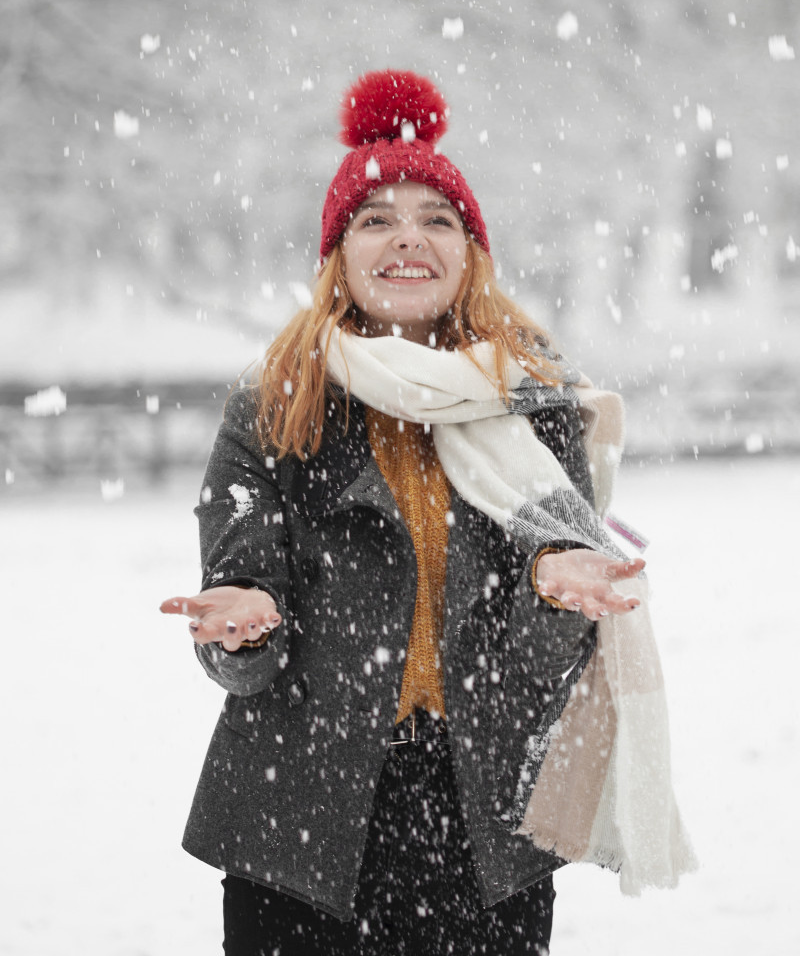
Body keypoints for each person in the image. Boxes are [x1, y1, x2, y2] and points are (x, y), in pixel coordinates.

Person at [161, 69, 682, 955]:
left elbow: (540, 662)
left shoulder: (534, 401)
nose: (410, 238)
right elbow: (239, 629)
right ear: (338, 257)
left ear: (472, 252)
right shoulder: (277, 403)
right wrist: (243, 622)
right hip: (298, 816)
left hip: (482, 821)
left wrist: (554, 591)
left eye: (438, 219)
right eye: (377, 219)